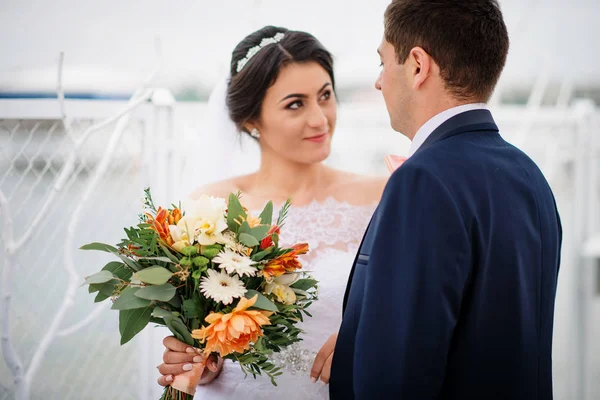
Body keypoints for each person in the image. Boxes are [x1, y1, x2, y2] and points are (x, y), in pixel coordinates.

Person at [329, 1, 562, 399]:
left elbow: (397, 373)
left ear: (418, 66)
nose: (379, 82)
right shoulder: (531, 177)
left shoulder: (421, 180)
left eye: (383, 62)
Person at [157, 25, 387, 399]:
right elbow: (200, 335)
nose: (320, 119)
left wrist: (373, 337)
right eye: (295, 104)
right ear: (251, 119)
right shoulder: (209, 210)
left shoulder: (381, 196)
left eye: (325, 96)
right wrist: (199, 361)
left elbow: (415, 309)